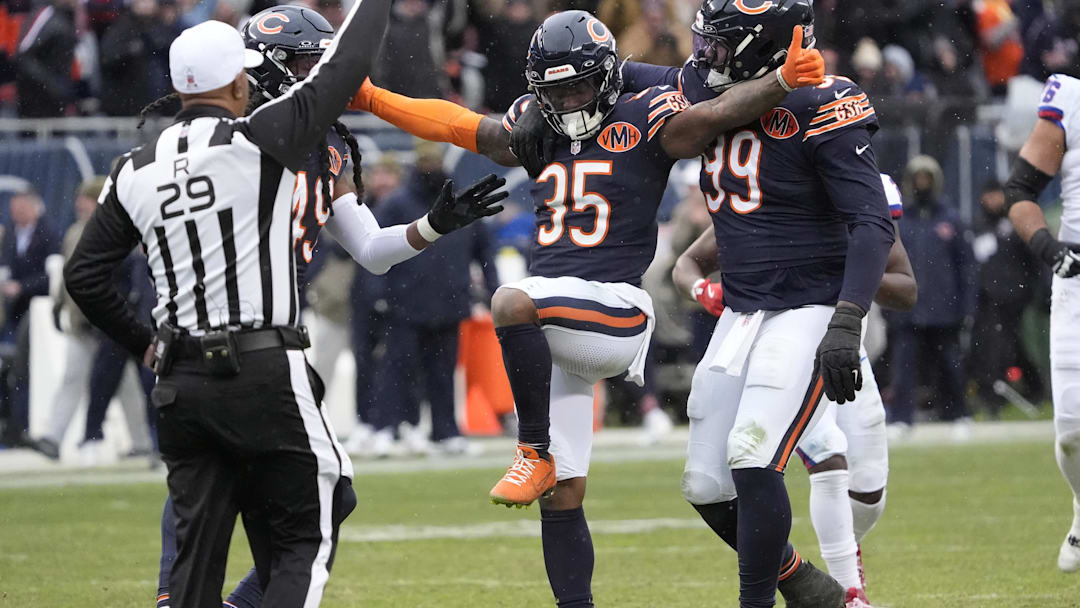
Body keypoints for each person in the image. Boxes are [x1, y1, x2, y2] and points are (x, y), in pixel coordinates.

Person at [351, 8, 828, 607]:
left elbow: (709, 114)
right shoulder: (535, 125)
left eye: (578, 84)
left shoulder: (646, 111)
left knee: (511, 298)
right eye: (554, 89)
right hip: (559, 322)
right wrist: (371, 98)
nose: (568, 99)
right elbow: (452, 122)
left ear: (607, 75)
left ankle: (531, 450)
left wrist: (781, 81)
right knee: (564, 495)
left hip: (617, 310)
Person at [62, 6, 504, 607]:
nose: (318, 73)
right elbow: (347, 67)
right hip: (261, 346)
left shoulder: (170, 159)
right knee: (307, 507)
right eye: (304, 61)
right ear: (250, 74)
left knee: (213, 493)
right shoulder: (260, 139)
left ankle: (190, 597)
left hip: (197, 355)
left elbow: (370, 248)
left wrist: (433, 224)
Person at [672, 173, 916, 607]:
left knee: (869, 486)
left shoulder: (858, 186)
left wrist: (849, 269)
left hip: (841, 340)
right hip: (770, 340)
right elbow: (686, 263)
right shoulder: (762, 185)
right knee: (823, 455)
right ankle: (847, 592)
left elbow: (905, 288)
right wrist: (702, 290)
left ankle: (838, 562)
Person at [369, 139, 499, 457]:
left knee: (442, 372)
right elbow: (374, 249)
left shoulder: (460, 203)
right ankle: (388, 428)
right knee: (397, 369)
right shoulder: (397, 204)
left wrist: (493, 291)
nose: (429, 166)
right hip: (405, 302)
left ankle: (445, 432)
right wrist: (378, 295)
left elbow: (484, 251)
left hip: (449, 299)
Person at [1003, 71, 1080, 573]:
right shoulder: (1071, 98)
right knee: (1072, 429)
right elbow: (1020, 190)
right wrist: (1047, 247)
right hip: (1078, 275)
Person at [887, 155, 976, 434]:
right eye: (918, 179)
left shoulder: (951, 219)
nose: (922, 184)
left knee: (951, 365)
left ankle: (959, 415)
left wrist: (967, 307)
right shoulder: (901, 221)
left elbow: (967, 268)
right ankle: (902, 418)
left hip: (945, 310)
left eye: (927, 178)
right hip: (907, 310)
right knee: (904, 369)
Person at [970, 179, 1046, 416]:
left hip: (1014, 299)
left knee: (1008, 346)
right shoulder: (978, 226)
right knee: (994, 346)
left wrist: (1036, 291)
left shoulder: (1015, 224)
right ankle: (995, 395)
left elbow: (1033, 261)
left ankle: (1023, 390)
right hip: (987, 300)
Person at [0, 188, 59, 447]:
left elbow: (52, 276)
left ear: (34, 208)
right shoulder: (11, 234)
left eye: (21, 209)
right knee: (15, 370)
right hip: (13, 311)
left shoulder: (49, 233)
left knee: (25, 369)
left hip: (38, 310)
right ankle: (14, 427)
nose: (16, 214)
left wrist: (22, 287)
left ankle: (22, 428)